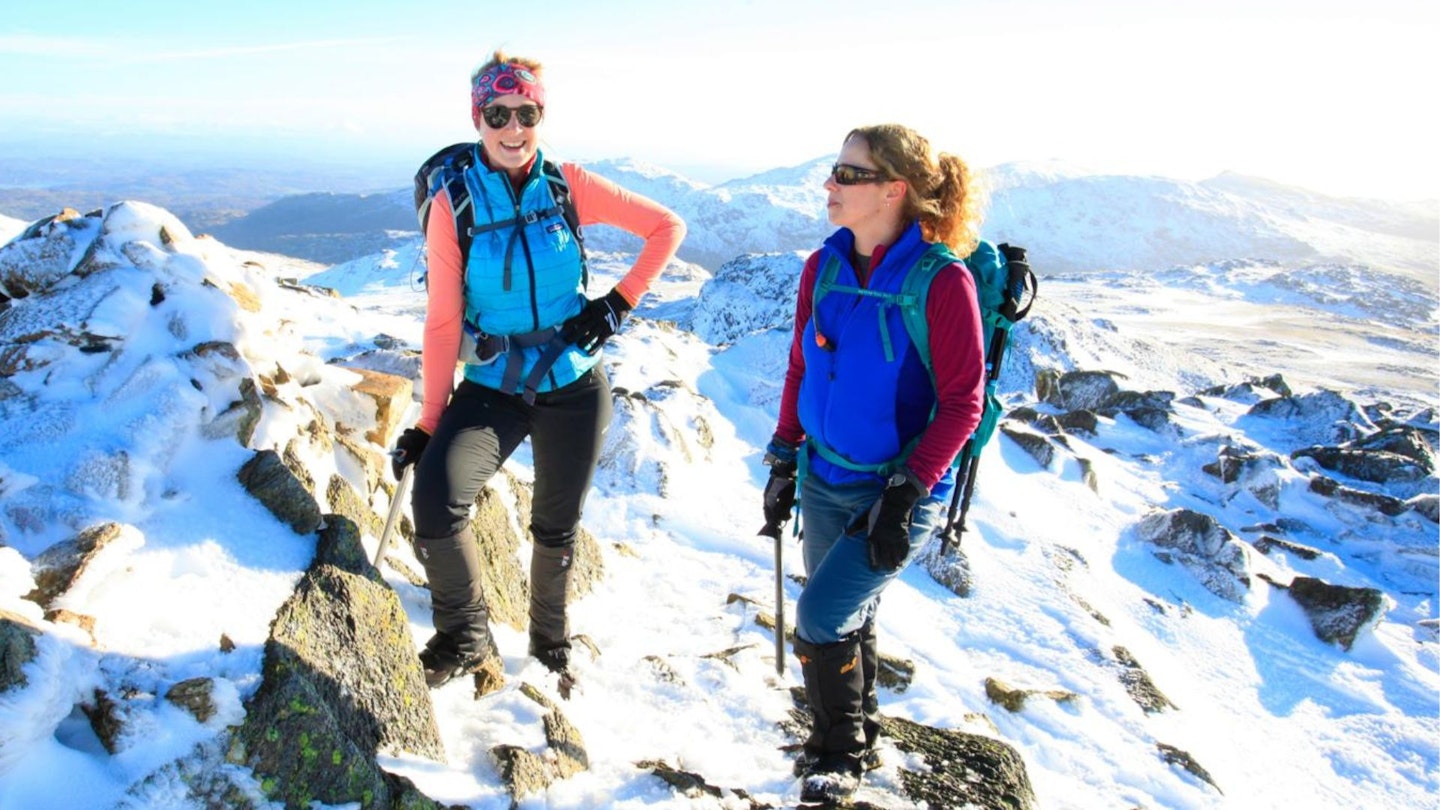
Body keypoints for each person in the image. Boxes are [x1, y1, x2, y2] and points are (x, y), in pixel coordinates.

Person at [392, 51, 686, 691]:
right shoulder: (455, 205)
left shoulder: (568, 183)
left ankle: (549, 642)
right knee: (438, 500)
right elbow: (443, 324)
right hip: (494, 387)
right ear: (478, 118)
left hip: (575, 384)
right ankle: (463, 636)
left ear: (541, 115)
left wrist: (617, 303)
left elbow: (667, 227)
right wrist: (429, 423)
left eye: (527, 112)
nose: (513, 126)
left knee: (556, 525)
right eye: (498, 113)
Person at [761, 124, 986, 803]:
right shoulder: (822, 267)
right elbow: (803, 365)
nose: (830, 183)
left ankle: (839, 755)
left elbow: (962, 401)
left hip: (893, 491)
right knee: (845, 616)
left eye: (847, 174)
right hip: (824, 479)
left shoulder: (941, 281)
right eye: (834, 170)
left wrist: (908, 491)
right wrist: (782, 455)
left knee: (822, 618)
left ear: (894, 190)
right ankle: (858, 729)